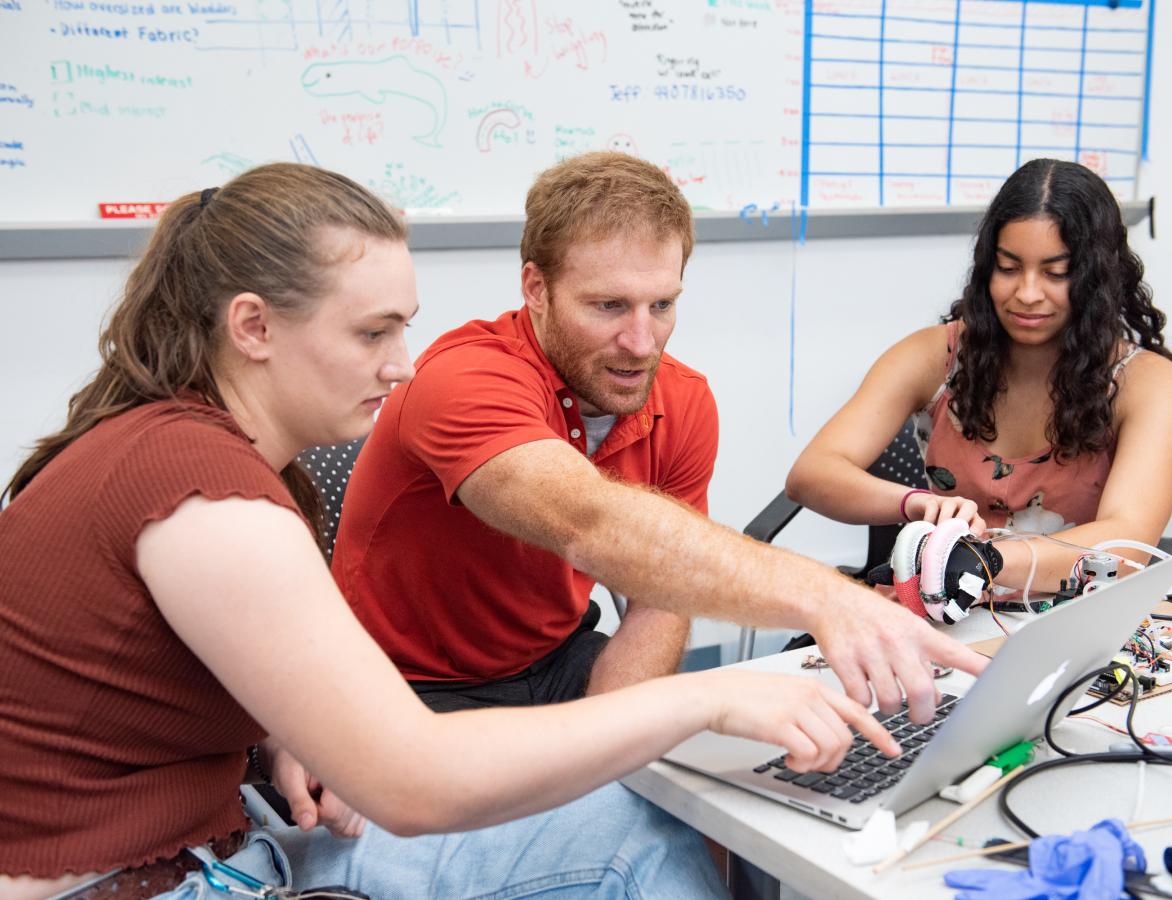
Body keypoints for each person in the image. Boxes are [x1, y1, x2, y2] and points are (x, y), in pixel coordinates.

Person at [0, 162, 911, 900]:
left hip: (218, 826)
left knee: (659, 822)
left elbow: (142, 690)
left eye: (405, 329)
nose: (400, 366)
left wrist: (281, 738)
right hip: (142, 876)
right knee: (637, 842)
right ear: (253, 327)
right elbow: (417, 780)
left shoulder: (185, 454)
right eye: (372, 334)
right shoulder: (205, 490)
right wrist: (709, 698)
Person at [334, 151, 985, 719]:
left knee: (697, 799)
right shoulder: (464, 378)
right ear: (536, 288)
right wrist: (826, 599)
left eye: (662, 305)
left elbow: (661, 584)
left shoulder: (682, 399)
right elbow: (590, 522)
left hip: (558, 659)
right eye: (608, 306)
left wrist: (610, 756)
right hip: (409, 687)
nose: (641, 343)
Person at [787, 158, 1172, 596]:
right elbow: (811, 474)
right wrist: (916, 503)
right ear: (986, 267)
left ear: (1098, 278)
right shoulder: (934, 356)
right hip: (948, 615)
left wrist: (986, 561)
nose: (1027, 293)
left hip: (1075, 622)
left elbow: (1126, 544)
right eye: (1008, 267)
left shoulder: (1149, 386)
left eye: (1056, 273)